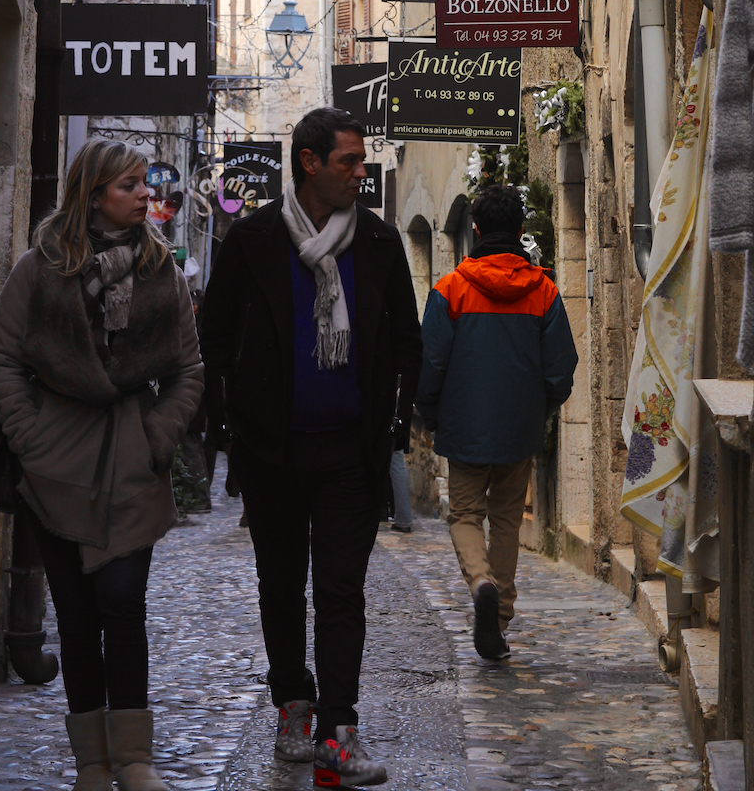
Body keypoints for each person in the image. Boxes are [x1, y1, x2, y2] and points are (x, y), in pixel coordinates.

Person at [200, 108, 422, 788]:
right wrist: (228, 427)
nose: (362, 172)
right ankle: (292, 702)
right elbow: (215, 335)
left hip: (349, 453)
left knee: (342, 590)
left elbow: (407, 340)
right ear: (309, 163)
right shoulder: (254, 239)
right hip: (272, 450)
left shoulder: (380, 243)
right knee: (280, 584)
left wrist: (395, 426)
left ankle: (338, 729)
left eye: (361, 161)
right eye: (349, 161)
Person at [0, 140, 203, 791]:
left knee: (122, 599)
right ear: (94, 193)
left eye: (145, 185)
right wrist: (32, 438)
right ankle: (92, 764)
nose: (145, 196)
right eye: (131, 186)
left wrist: (159, 437)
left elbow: (188, 369)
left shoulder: (162, 268)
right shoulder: (40, 268)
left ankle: (134, 758)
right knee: (76, 614)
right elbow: (1, 359)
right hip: (56, 465)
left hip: (132, 455)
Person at [415, 183, 577, 661]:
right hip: (519, 428)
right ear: (521, 232)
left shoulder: (450, 289)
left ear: (477, 229)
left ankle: (481, 582)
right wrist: (541, 408)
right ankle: (499, 619)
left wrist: (430, 414)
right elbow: (560, 370)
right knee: (507, 520)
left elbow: (431, 363)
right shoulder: (543, 290)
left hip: (463, 426)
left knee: (465, 514)